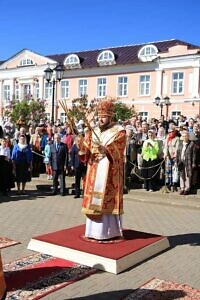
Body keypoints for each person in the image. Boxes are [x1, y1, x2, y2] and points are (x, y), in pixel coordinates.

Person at [79, 100, 126, 240]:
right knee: (93, 198)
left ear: (111, 117)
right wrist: (80, 145)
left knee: (106, 200)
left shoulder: (119, 131)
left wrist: (106, 150)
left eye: (104, 116)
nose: (101, 119)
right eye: (99, 116)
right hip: (94, 169)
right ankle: (92, 231)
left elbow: (119, 150)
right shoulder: (93, 131)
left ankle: (108, 232)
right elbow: (86, 150)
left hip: (109, 171)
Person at [176, 130, 196, 195]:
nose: (185, 137)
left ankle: (187, 189)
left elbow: (194, 155)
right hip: (181, 161)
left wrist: (193, 163)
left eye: (186, 136)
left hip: (188, 161)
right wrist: (177, 161)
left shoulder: (192, 144)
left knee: (188, 175)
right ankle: (182, 188)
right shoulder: (180, 143)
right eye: (184, 136)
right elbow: (178, 153)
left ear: (188, 136)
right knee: (182, 175)